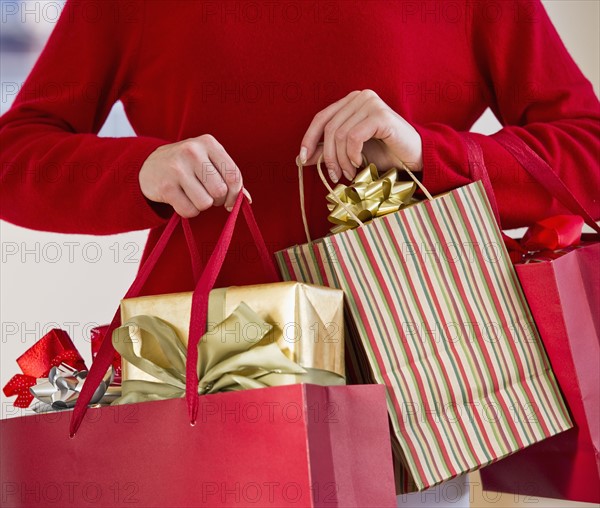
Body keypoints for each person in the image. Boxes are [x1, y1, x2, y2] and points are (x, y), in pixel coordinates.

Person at [0, 1, 597, 505]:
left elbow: (586, 148)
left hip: (413, 388)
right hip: (200, 390)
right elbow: (14, 158)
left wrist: (425, 152)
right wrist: (141, 170)